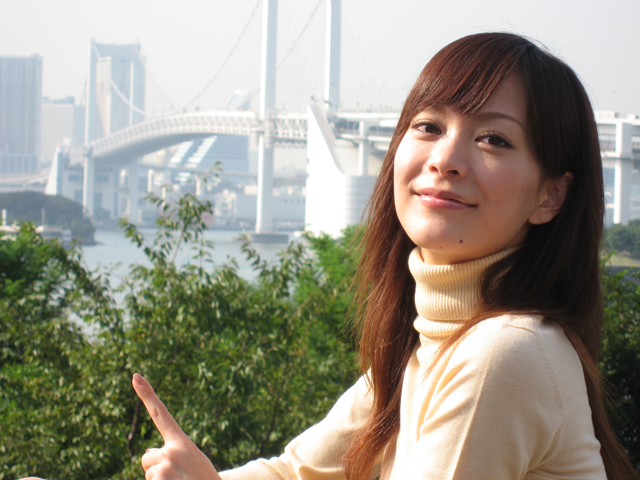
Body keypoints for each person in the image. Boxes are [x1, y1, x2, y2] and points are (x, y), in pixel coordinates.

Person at [20, 32, 638, 480]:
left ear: (551, 195)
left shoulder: (504, 354)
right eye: (428, 126)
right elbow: (298, 471)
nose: (446, 158)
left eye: (494, 139)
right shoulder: (427, 346)